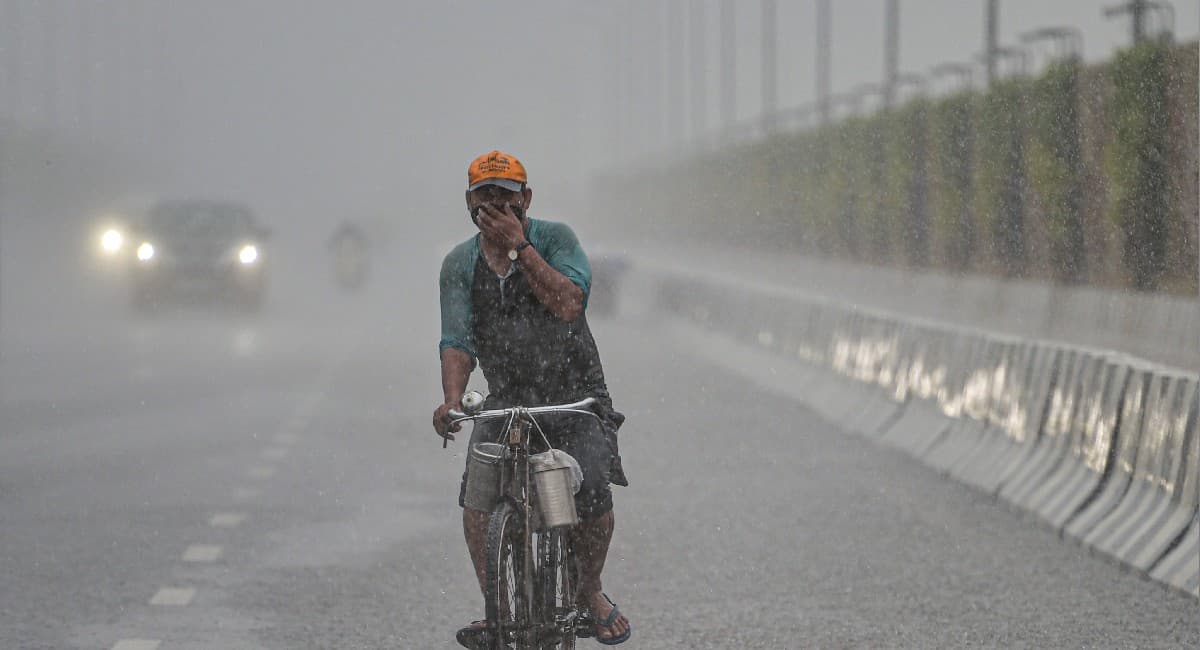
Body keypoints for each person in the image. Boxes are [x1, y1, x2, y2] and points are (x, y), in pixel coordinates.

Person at [433, 150, 632, 647]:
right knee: (478, 495)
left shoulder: (555, 239)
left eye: (507, 194)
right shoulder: (459, 264)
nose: (497, 204)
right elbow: (457, 340)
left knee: (591, 494)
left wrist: (521, 249)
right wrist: (453, 400)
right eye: (486, 196)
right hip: (507, 396)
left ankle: (590, 592)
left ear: (526, 198)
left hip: (574, 394)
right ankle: (495, 607)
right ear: (469, 203)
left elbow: (569, 303)